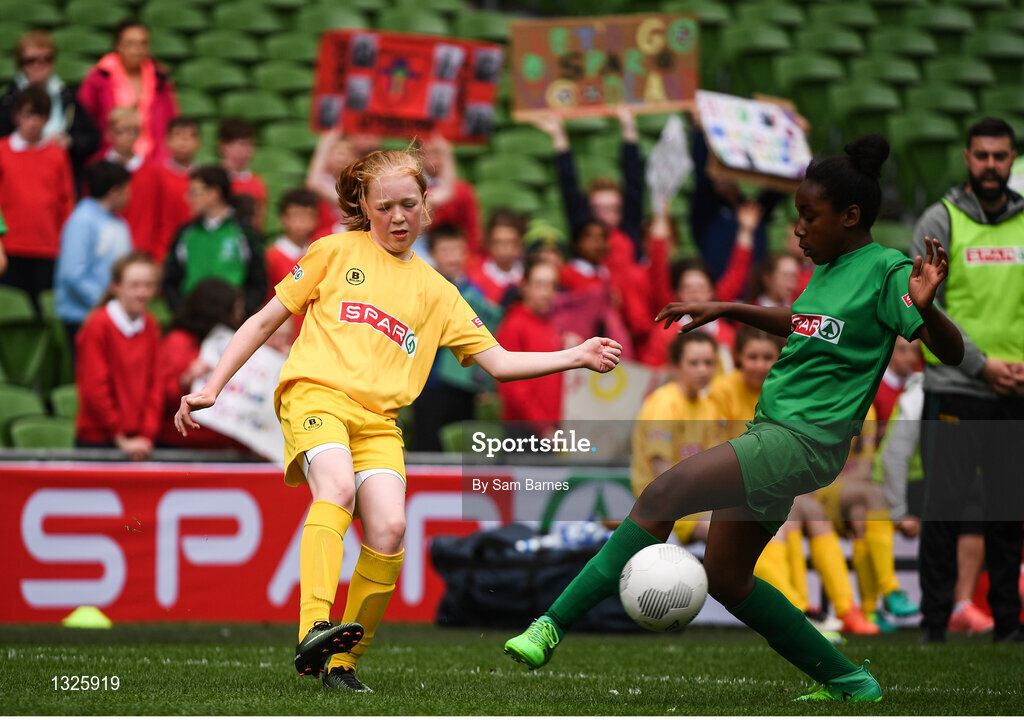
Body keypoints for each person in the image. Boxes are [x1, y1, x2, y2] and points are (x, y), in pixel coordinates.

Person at [503, 134, 965, 702]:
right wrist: (726, 307)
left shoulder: (887, 270)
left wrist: (929, 309)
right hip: (777, 437)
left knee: (659, 496)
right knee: (726, 578)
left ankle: (549, 626)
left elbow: (952, 351)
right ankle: (848, 679)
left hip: (800, 442)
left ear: (849, 217)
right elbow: (802, 322)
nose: (797, 228)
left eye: (808, 216)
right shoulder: (828, 267)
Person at [173, 148, 622, 693]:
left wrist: (574, 356)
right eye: (385, 206)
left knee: (389, 529)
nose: (399, 217)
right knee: (336, 487)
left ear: (426, 204)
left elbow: (499, 363)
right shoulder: (333, 251)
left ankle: (341, 663)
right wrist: (213, 386)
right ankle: (314, 625)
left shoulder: (439, 292)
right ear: (363, 203)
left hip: (379, 422)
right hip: (316, 396)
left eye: (409, 204)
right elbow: (264, 319)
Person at [912, 117, 1024, 644]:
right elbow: (925, 307)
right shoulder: (942, 218)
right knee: (943, 509)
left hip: (1018, 390)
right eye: (981, 156)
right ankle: (933, 625)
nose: (991, 167)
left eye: (1000, 157)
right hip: (956, 387)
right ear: (966, 158)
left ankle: (1008, 625)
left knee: (1010, 514)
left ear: (1012, 159)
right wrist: (983, 365)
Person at [412, 224, 503, 451]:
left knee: (463, 455)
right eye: (445, 250)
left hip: (465, 388)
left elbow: (483, 338)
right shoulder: (421, 287)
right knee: (429, 449)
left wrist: (483, 385)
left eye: (457, 250)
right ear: (432, 254)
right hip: (429, 385)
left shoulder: (476, 294)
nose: (452, 257)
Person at [631, 331, 721, 548]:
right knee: (730, 539)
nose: (702, 370)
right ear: (676, 366)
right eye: (694, 363)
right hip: (664, 509)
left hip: (698, 505)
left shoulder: (709, 406)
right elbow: (661, 474)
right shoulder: (663, 403)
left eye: (709, 363)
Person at [75, 252, 162, 461]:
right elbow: (94, 387)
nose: (142, 292)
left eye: (148, 285)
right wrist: (120, 436)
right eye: (134, 285)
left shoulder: (150, 325)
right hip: (99, 440)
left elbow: (155, 384)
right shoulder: (98, 325)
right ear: (116, 287)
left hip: (139, 442)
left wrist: (146, 434)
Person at [0, 83, 74, 308]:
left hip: (47, 248)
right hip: (8, 248)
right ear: (16, 116)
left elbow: (67, 200)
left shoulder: (58, 154)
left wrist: (63, 241)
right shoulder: (1, 150)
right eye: (29, 114)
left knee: (43, 314)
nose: (34, 121)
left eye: (41, 115)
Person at [0, 30, 100, 194]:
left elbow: (91, 138)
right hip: (19, 182)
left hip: (59, 179)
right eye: (31, 60)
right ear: (21, 64)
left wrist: (71, 141)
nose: (39, 65)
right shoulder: (8, 101)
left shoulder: (67, 95)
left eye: (46, 59)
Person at [162, 165, 266, 316]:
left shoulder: (244, 232)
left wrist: (243, 312)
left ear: (214, 193)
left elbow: (258, 281)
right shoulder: (185, 233)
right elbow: (170, 280)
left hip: (232, 323)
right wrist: (181, 312)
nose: (187, 198)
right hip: (192, 321)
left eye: (194, 192)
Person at [54, 161, 133, 358]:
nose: (130, 194)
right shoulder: (82, 220)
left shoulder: (120, 223)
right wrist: (106, 302)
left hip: (115, 315)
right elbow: (72, 272)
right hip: (82, 317)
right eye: (128, 188)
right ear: (115, 191)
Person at [157, 277, 245, 450]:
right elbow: (159, 395)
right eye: (236, 308)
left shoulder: (235, 344)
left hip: (221, 445)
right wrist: (185, 379)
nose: (241, 314)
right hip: (179, 443)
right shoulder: (178, 342)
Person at [78, 18, 178, 164]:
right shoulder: (99, 77)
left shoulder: (160, 79)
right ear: (117, 46)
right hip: (111, 162)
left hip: (153, 161)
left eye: (142, 43)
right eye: (130, 44)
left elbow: (171, 119)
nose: (137, 49)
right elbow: (84, 119)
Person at [495, 257, 566, 438]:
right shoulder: (514, 325)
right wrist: (542, 427)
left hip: (551, 428)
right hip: (524, 431)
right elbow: (513, 386)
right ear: (524, 287)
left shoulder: (551, 325)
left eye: (552, 286)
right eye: (540, 285)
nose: (547, 293)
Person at [125, 115, 200, 263]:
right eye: (178, 135)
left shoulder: (204, 178)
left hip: (195, 249)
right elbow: (148, 215)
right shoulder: (154, 175)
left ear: (198, 143)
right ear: (167, 141)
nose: (183, 141)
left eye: (190, 136)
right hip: (162, 251)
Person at [265, 188, 320, 298]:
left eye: (309, 215)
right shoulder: (271, 256)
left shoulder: (319, 251)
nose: (303, 221)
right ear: (283, 218)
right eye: (296, 215)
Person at [468, 208, 526, 306]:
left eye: (510, 242)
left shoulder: (528, 278)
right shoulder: (474, 279)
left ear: (519, 245)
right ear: (489, 243)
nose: (504, 248)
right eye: (498, 242)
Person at [218, 118, 267, 231]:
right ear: (224, 146)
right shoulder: (213, 179)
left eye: (250, 145)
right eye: (242, 144)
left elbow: (258, 223)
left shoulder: (257, 183)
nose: (247, 150)